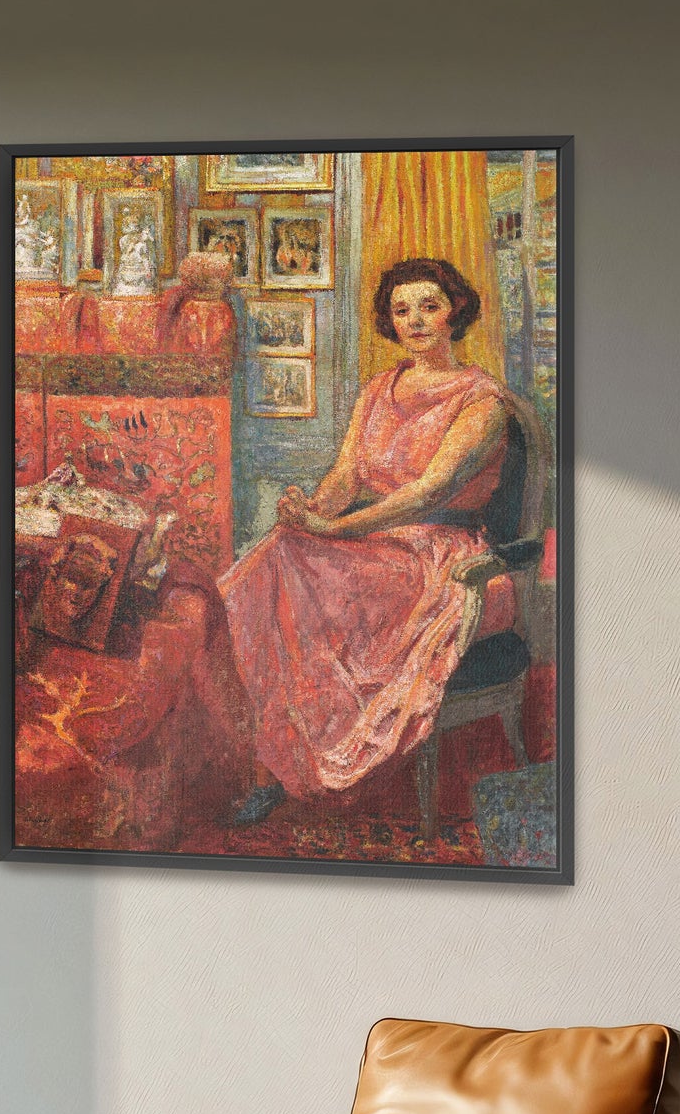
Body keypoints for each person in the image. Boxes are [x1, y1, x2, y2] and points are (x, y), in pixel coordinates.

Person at [219, 256, 512, 819]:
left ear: (456, 311)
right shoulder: (380, 388)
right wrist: (309, 512)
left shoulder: (482, 401)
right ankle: (277, 763)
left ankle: (310, 760)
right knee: (277, 558)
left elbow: (430, 492)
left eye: (430, 306)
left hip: (439, 558)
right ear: (389, 320)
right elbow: (348, 474)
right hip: (376, 545)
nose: (416, 321)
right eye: (403, 310)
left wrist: (334, 528)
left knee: (308, 579)